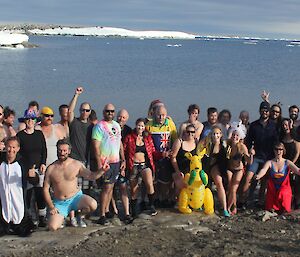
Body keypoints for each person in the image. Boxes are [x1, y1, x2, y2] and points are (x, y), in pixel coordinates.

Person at [43, 139, 110, 231]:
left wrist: (102, 170)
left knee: (93, 204)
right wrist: (51, 207)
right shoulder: (51, 168)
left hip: (76, 198)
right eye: (60, 150)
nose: (62, 153)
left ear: (69, 151)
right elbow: (45, 189)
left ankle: (80, 216)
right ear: (57, 150)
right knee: (52, 227)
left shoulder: (76, 164)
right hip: (60, 203)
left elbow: (91, 176)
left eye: (65, 151)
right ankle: (62, 218)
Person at [92, 103, 126, 225]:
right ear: (103, 112)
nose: (110, 113)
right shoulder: (99, 127)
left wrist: (123, 159)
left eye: (112, 111)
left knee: (111, 187)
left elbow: (119, 143)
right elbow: (95, 146)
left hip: (116, 161)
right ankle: (101, 215)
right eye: (108, 111)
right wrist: (99, 164)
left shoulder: (117, 125)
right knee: (106, 188)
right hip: (105, 162)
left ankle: (106, 210)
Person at [241, 101, 279, 208]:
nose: (265, 112)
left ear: (269, 112)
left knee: (264, 180)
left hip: (268, 157)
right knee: (248, 177)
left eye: (267, 110)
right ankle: (242, 200)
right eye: (263, 110)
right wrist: (249, 149)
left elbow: (277, 142)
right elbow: (248, 141)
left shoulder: (274, 126)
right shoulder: (253, 125)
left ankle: (261, 201)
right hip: (256, 157)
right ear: (259, 111)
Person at [0, 137, 38, 237]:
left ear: (18, 148)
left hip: (19, 200)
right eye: (9, 147)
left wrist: (33, 176)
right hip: (3, 200)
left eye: (13, 147)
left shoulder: (23, 162)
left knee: (23, 231)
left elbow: (35, 181)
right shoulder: (1, 161)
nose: (11, 150)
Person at [124, 118, 161, 217]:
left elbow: (153, 152)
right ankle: (134, 210)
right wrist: (123, 164)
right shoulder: (129, 137)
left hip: (144, 164)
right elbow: (123, 150)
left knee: (149, 184)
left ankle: (152, 205)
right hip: (133, 165)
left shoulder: (147, 138)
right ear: (136, 126)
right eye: (139, 125)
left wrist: (162, 154)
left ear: (145, 127)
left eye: (142, 126)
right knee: (134, 190)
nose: (140, 127)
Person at [16, 109, 47, 227]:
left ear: (35, 121)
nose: (30, 121)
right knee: (28, 193)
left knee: (40, 192)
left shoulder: (39, 134)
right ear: (25, 120)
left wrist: (43, 163)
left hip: (39, 169)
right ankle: (29, 217)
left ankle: (42, 217)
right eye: (28, 119)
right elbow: (19, 154)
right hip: (26, 169)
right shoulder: (20, 135)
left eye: (32, 119)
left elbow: (44, 150)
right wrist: (28, 168)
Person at [68, 86, 92, 226]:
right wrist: (76, 95)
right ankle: (71, 217)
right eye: (82, 109)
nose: (84, 112)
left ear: (90, 112)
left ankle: (80, 216)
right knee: (73, 190)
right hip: (74, 160)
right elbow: (70, 111)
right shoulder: (74, 123)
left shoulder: (91, 126)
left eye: (87, 110)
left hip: (86, 161)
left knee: (85, 191)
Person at [146, 105, 176, 207]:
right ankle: (156, 198)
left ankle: (165, 198)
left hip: (166, 157)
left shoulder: (170, 124)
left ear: (166, 115)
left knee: (165, 180)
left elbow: (175, 139)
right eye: (159, 115)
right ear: (154, 114)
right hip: (153, 157)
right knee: (155, 180)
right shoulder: (149, 125)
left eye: (163, 115)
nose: (161, 117)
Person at [256, 142, 300, 213]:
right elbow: (264, 170)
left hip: (284, 186)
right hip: (273, 187)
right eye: (276, 149)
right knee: (270, 208)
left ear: (283, 151)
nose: (278, 151)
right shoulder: (270, 162)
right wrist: (258, 176)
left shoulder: (287, 162)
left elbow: (297, 170)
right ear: (274, 150)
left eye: (280, 149)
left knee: (283, 193)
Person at [197, 126, 230, 217]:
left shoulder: (224, 144)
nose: (216, 135)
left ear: (221, 134)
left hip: (219, 166)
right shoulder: (207, 143)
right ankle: (200, 203)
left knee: (219, 183)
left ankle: (224, 208)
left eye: (218, 133)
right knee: (203, 184)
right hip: (206, 166)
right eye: (214, 133)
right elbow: (198, 150)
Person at [226, 127, 254, 215]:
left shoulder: (242, 146)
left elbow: (249, 161)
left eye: (237, 135)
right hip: (229, 168)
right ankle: (230, 205)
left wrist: (251, 154)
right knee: (230, 187)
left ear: (240, 137)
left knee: (234, 189)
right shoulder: (228, 145)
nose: (235, 137)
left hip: (239, 169)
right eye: (233, 135)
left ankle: (231, 207)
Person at [171, 124, 197, 196]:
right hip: (179, 169)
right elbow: (173, 157)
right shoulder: (179, 142)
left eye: (192, 132)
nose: (190, 134)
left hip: (191, 170)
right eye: (188, 132)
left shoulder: (197, 143)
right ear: (185, 132)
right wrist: (177, 171)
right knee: (181, 182)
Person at [280, 118, 300, 208]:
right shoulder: (281, 139)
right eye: (283, 125)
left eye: (287, 125)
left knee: (296, 183)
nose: (285, 127)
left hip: (295, 163)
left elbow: (297, 152)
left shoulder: (295, 138)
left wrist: (292, 164)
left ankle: (297, 201)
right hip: (284, 164)